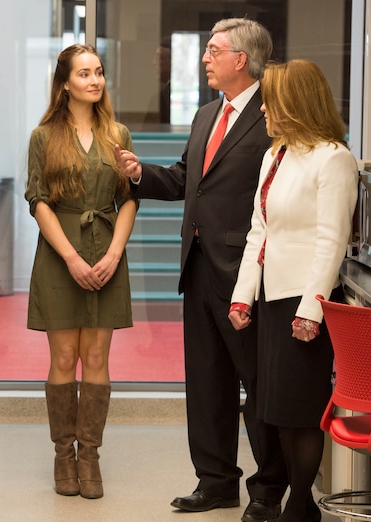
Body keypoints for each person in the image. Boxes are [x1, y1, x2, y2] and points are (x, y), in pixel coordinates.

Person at [115, 18, 288, 521]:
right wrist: (139, 173)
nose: (205, 58)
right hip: (199, 268)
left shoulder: (274, 113)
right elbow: (186, 180)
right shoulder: (206, 114)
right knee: (206, 384)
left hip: (249, 270)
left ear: (242, 59)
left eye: (215, 51)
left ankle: (267, 488)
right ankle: (215, 482)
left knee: (257, 387)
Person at [228, 59, 358, 522]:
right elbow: (258, 231)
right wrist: (243, 294)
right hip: (271, 299)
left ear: (296, 103)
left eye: (271, 101)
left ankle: (301, 507)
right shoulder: (275, 153)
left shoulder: (334, 158)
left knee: (298, 413)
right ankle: (296, 506)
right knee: (271, 410)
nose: (263, 109)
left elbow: (331, 241)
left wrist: (312, 310)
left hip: (305, 303)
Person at [25, 43, 138, 500]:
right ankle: (62, 454)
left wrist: (112, 254)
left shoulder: (119, 133)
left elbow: (129, 199)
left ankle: (89, 454)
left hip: (107, 246)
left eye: (99, 72)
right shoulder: (42, 136)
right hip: (59, 252)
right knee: (63, 358)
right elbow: (38, 202)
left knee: (96, 358)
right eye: (85, 74)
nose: (95, 81)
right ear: (65, 82)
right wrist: (72, 257)